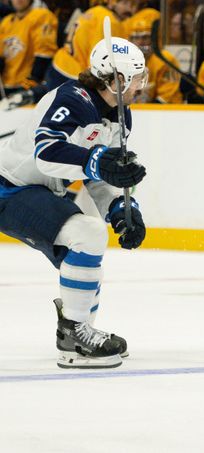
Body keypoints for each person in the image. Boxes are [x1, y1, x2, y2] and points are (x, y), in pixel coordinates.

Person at [0, 35, 149, 369]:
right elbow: (47, 154)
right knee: (88, 234)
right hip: (9, 189)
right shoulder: (72, 98)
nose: (143, 83)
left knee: (86, 243)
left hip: (38, 191)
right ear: (115, 79)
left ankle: (80, 328)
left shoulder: (120, 114)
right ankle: (74, 337)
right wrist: (98, 159)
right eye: (137, 76)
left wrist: (122, 209)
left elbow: (98, 175)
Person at [0, 0, 58, 95]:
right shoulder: (6, 22)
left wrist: (32, 83)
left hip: (27, 87)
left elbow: (44, 55)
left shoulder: (41, 16)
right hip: (5, 86)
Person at [71, 0, 133, 70]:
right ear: (111, 1)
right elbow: (97, 61)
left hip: (63, 66)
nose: (129, 9)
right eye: (125, 3)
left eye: (132, 3)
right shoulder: (110, 20)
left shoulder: (96, 11)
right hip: (72, 72)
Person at [128, 16, 184, 103]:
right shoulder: (126, 61)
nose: (140, 42)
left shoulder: (167, 60)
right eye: (136, 38)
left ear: (154, 39)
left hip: (169, 110)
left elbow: (166, 97)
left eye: (145, 37)